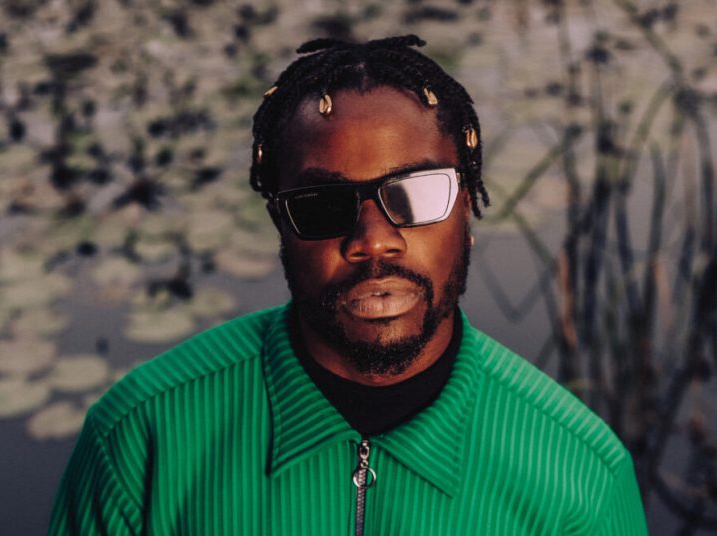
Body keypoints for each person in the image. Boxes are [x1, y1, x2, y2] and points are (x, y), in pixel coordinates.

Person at [49, 36, 648, 535]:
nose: (374, 241)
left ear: (466, 207)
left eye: (417, 193)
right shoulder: (140, 439)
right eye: (322, 203)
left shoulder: (580, 480)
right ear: (280, 221)